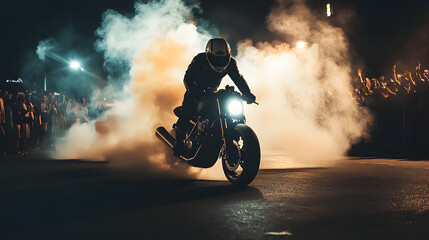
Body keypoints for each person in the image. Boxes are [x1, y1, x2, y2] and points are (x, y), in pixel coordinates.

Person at [173, 38, 256, 155]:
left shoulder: (231, 63)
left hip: (212, 92)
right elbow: (188, 78)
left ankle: (229, 138)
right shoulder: (199, 60)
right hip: (195, 92)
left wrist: (247, 93)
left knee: (229, 110)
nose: (219, 61)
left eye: (223, 58)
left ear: (228, 54)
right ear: (208, 54)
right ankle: (178, 143)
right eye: (216, 58)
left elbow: (238, 78)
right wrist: (194, 91)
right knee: (187, 112)